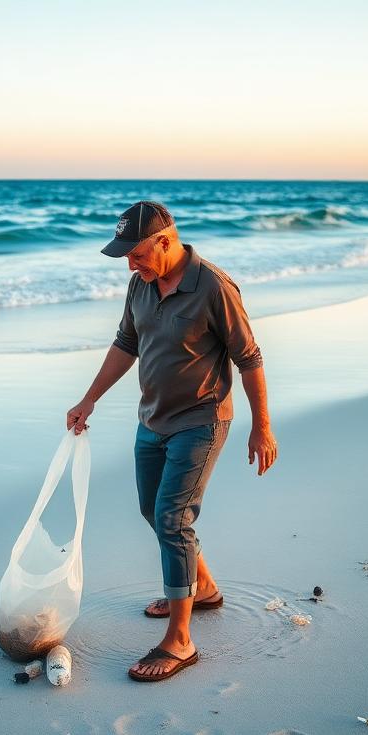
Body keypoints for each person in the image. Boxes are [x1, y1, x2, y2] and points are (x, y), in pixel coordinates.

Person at [66, 200, 277, 682]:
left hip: (201, 420)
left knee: (172, 516)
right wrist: (89, 399)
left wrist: (261, 426)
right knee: (152, 511)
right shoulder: (139, 281)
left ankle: (181, 641)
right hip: (152, 419)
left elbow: (249, 356)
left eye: (136, 253)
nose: (129, 264)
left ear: (165, 241)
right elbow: (126, 343)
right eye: (125, 256)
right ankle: (200, 587)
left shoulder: (214, 288)